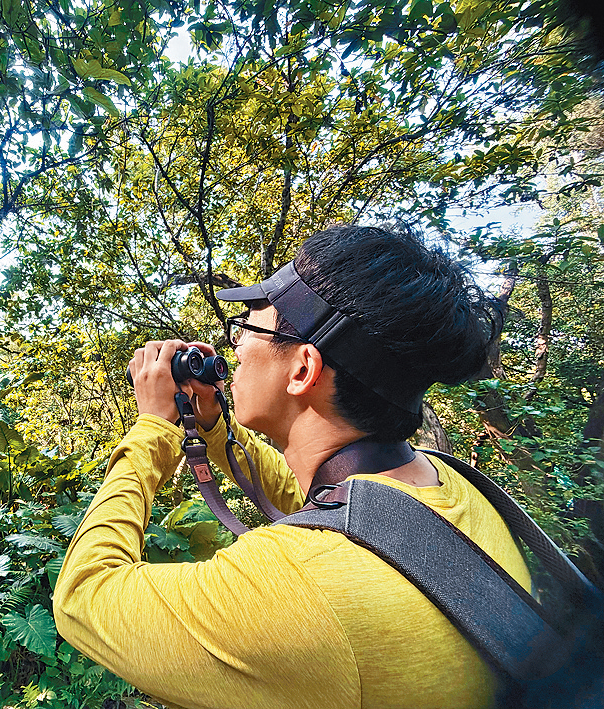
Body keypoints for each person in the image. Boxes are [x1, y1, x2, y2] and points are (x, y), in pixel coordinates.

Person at [52, 224, 524, 709]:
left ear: (303, 369)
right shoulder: (451, 486)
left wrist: (153, 426)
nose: (233, 345)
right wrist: (212, 425)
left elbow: (84, 596)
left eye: (247, 326)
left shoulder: (300, 586)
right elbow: (308, 496)